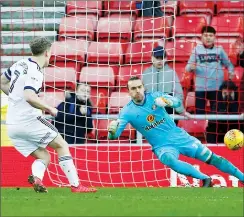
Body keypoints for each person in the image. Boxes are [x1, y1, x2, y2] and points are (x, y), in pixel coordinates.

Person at [0, 37, 96, 193]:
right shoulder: (36, 72)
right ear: (47, 52)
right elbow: (30, 96)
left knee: (44, 157)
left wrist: (14, 98)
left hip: (12, 126)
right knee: (62, 145)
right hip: (28, 121)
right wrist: (50, 108)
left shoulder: (20, 63)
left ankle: (37, 178)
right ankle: (76, 186)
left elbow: (2, 82)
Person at [108, 76, 244, 187]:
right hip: (162, 146)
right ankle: (205, 179)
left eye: (139, 87)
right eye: (133, 88)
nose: (137, 90)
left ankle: (242, 177)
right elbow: (114, 136)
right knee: (168, 159)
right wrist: (111, 131)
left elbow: (178, 103)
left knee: (212, 158)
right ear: (129, 92)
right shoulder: (127, 112)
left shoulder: (155, 96)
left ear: (143, 88)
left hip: (179, 136)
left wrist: (168, 101)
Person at [186, 26, 234, 114]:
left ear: (214, 37)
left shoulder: (219, 50)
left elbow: (228, 64)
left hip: (216, 87)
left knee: (217, 113)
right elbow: (187, 68)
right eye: (205, 35)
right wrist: (191, 67)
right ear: (201, 37)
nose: (208, 37)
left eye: (211, 35)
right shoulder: (196, 50)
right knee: (199, 113)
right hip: (200, 88)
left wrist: (231, 72)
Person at [142, 46, 186, 124]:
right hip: (150, 109)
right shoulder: (145, 73)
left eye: (162, 58)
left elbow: (178, 93)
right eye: (157, 58)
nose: (160, 60)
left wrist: (180, 110)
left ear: (165, 58)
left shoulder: (171, 73)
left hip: (168, 110)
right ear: (152, 58)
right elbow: (141, 93)